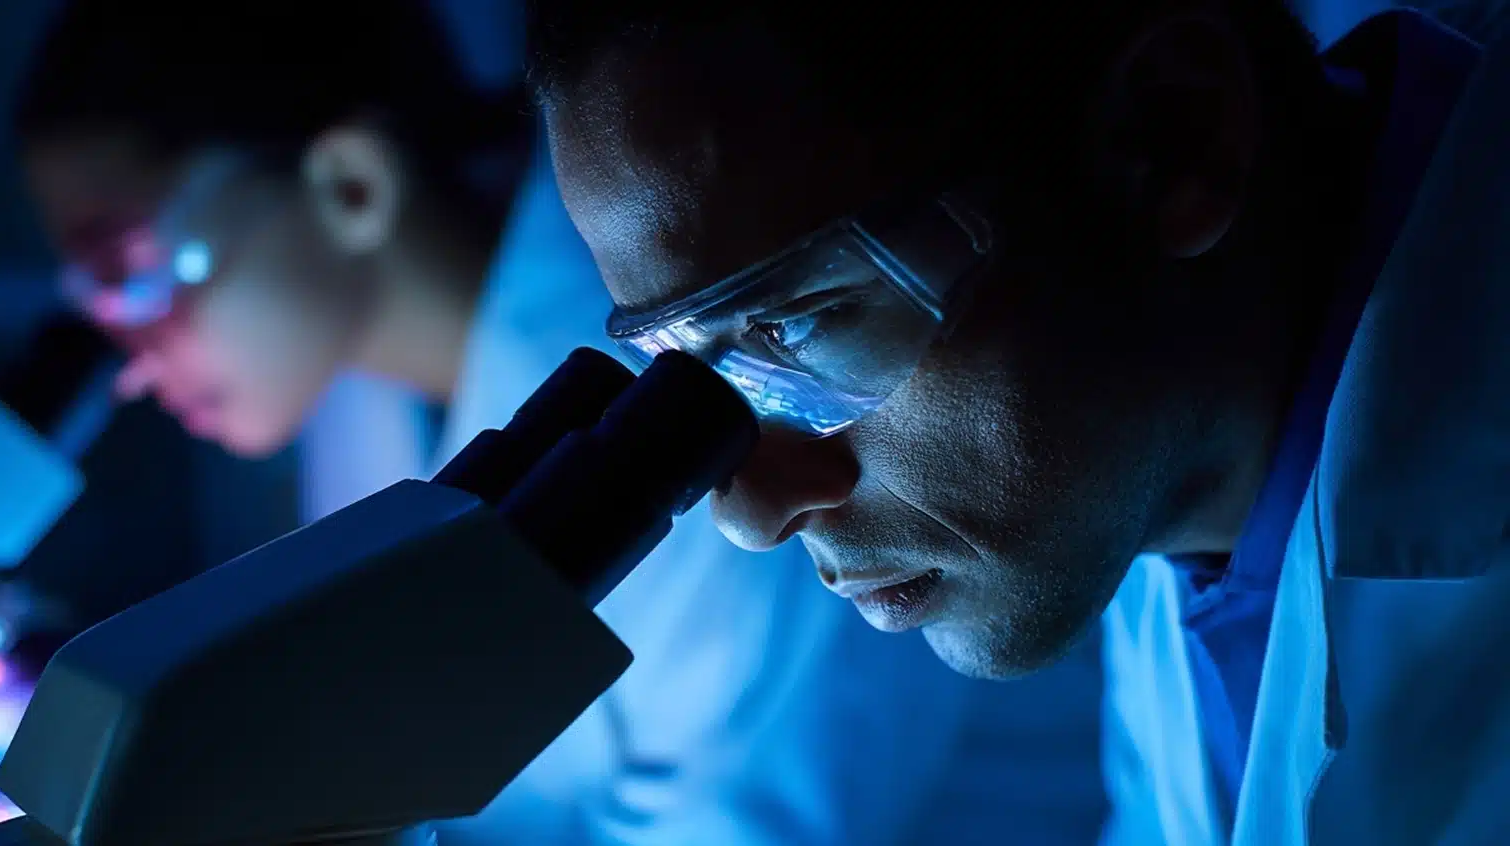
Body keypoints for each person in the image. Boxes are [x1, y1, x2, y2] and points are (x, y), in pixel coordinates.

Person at [15, 1, 1108, 843]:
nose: (126, 363)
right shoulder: (374, 424)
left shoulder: (729, 374)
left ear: (350, 183)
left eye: (131, 273)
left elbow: (753, 823)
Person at [525, 1, 1510, 843]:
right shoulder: (1154, 489)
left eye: (801, 324)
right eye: (687, 365)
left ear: (1170, 139)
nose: (753, 513)